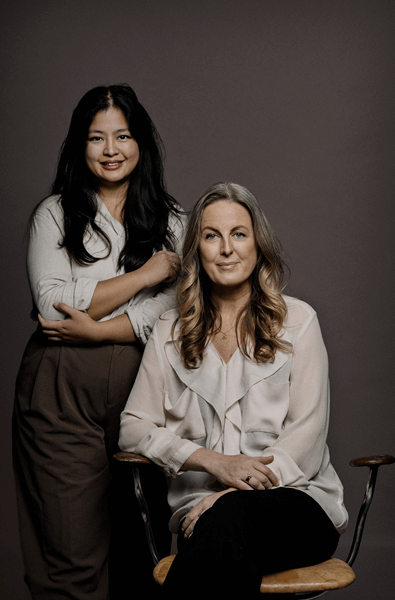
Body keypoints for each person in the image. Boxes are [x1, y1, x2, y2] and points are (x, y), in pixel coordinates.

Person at [119, 182, 349, 598]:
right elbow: (133, 428)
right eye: (212, 236)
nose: (226, 249)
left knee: (228, 525)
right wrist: (214, 462)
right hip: (203, 517)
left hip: (297, 506)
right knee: (227, 551)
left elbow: (307, 437)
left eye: (239, 234)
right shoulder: (169, 331)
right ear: (197, 250)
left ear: (258, 245)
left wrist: (228, 496)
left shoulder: (299, 322)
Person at [13, 84, 186, 600]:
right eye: (96, 137)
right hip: (60, 393)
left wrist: (98, 326)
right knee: (70, 550)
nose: (111, 150)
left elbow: (173, 309)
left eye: (123, 136)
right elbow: (51, 305)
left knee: (144, 547)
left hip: (147, 391)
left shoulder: (173, 220)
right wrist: (145, 274)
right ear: (79, 144)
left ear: (141, 143)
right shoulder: (53, 214)